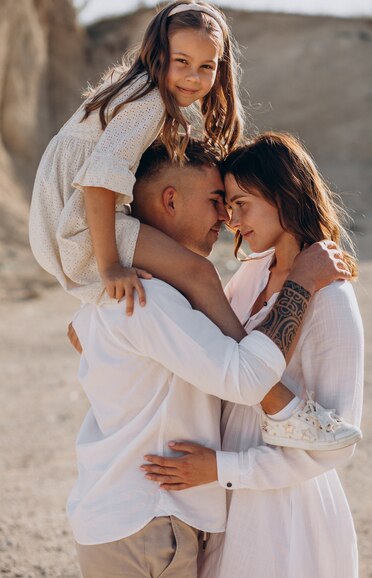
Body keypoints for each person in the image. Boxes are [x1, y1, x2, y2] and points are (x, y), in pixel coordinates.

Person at [68, 140, 352, 578]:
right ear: (170, 199)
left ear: (284, 196)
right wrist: (299, 282)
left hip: (278, 510)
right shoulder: (160, 294)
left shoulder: (331, 299)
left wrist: (221, 467)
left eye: (239, 203)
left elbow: (339, 438)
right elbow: (243, 375)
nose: (229, 219)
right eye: (222, 202)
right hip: (186, 502)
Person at [29, 0, 247, 341]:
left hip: (59, 220)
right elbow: (99, 183)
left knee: (170, 267)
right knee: (199, 273)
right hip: (77, 225)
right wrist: (111, 268)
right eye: (182, 62)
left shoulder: (133, 87)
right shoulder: (151, 102)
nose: (194, 77)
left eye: (207, 66)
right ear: (158, 55)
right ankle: (249, 366)